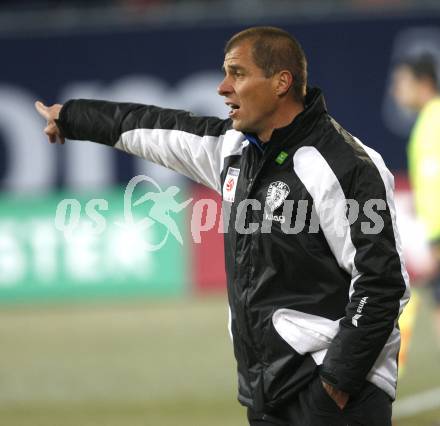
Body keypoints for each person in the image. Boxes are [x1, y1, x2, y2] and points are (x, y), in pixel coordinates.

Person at [35, 26, 410, 426]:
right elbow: (155, 127)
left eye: (238, 73)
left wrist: (337, 380)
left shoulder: (344, 164)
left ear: (281, 82)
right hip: (266, 391)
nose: (222, 87)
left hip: (333, 395)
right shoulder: (233, 150)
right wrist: (72, 117)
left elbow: (381, 282)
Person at [392, 54, 440, 350]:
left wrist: (436, 241)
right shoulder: (429, 121)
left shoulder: (433, 123)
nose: (395, 90)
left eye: (401, 82)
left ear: (422, 83)